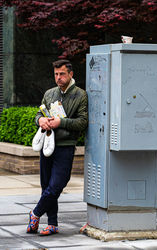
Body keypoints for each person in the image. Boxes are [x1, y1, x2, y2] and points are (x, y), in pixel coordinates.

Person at [26, 59, 88, 236]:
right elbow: (39, 112)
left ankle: (35, 213)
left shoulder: (80, 95)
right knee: (46, 185)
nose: (58, 77)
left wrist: (61, 122)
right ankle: (52, 223)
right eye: (56, 74)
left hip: (65, 146)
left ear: (70, 74)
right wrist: (41, 120)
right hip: (47, 144)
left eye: (62, 74)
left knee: (57, 184)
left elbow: (83, 122)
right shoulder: (50, 93)